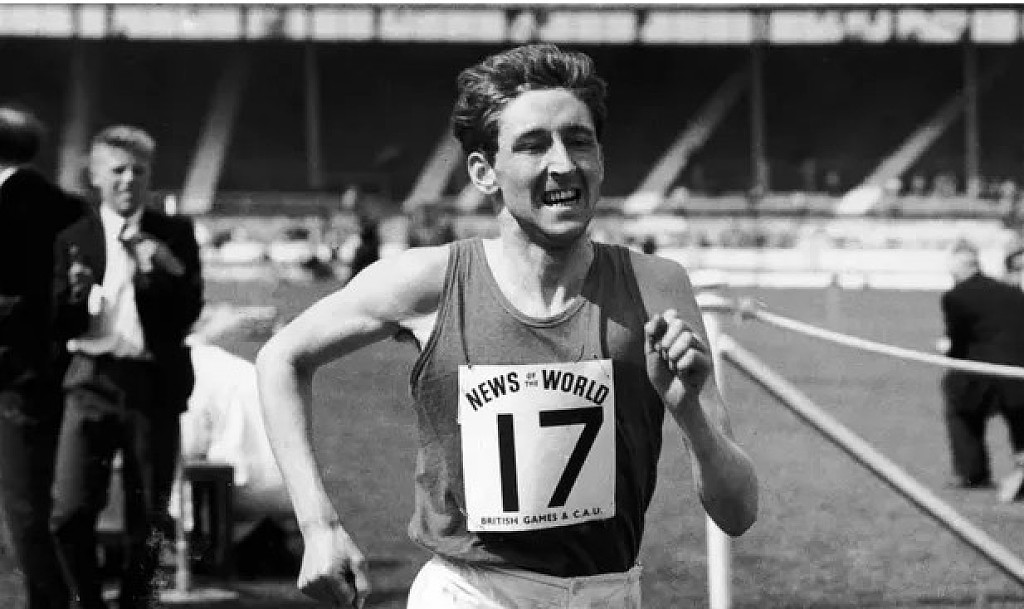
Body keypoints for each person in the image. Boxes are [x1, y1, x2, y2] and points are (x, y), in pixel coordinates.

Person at [256, 44, 758, 609]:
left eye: (579, 140)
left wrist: (689, 413)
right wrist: (318, 526)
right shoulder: (430, 282)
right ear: (484, 172)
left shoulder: (656, 287)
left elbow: (738, 512)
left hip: (611, 594)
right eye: (533, 145)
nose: (563, 164)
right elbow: (281, 358)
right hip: (469, 595)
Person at [49, 125, 204, 609]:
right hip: (90, 381)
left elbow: (188, 312)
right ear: (96, 176)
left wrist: (159, 269)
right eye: (117, 170)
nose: (128, 180)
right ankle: (88, 601)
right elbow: (57, 320)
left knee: (149, 517)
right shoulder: (73, 238)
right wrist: (74, 297)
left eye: (139, 171)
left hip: (152, 385)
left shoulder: (174, 234)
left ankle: (136, 603)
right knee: (70, 511)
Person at [0, 105, 85, 609]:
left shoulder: (12, 206)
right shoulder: (67, 206)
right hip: (45, 370)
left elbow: (22, 301)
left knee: (23, 507)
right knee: (29, 500)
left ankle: (50, 601)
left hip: (14, 374)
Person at [939, 240, 1024, 496]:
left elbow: (958, 341)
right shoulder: (1011, 291)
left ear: (960, 267)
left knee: (959, 406)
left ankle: (971, 472)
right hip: (1019, 370)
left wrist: (948, 354)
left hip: (983, 372)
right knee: (1020, 420)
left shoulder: (956, 296)